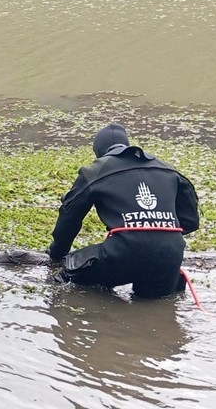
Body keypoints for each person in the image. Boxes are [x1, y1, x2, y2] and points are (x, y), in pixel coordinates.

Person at [47, 122, 200, 298]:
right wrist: (157, 237)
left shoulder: (95, 171)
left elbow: (69, 216)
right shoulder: (167, 169)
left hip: (123, 253)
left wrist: (57, 253)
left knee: (69, 271)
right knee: (154, 308)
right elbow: (191, 222)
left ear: (99, 151)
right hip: (169, 257)